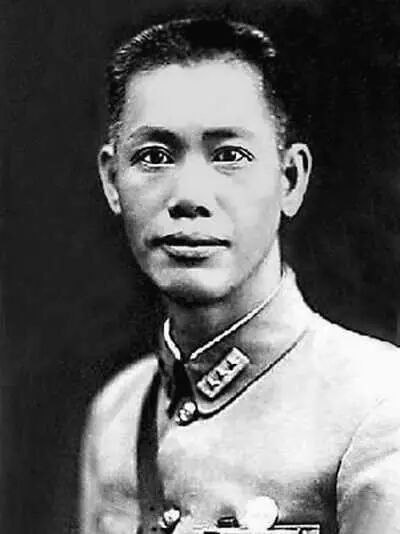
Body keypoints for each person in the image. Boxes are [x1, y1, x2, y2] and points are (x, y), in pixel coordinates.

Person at [81, 18, 400, 534]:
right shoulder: (117, 412)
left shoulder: (379, 406)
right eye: (154, 157)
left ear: (290, 179)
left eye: (229, 156)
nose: (188, 197)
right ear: (112, 180)